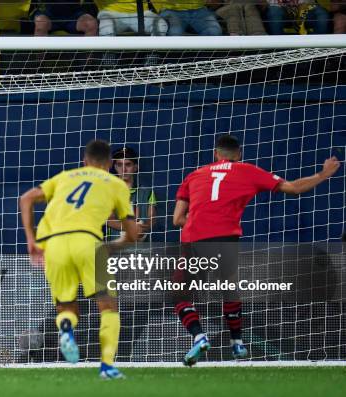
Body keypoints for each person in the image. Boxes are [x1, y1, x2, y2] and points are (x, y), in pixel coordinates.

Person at [172, 134, 340, 366]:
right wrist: (323, 174)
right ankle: (237, 343)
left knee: (181, 293)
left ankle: (199, 336)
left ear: (215, 154)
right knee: (229, 290)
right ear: (239, 155)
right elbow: (293, 188)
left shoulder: (194, 175)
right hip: (226, 238)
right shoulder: (248, 170)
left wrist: (200, 217)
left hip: (195, 238)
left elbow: (177, 218)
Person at [19, 139, 139, 379]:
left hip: (53, 244)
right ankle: (107, 366)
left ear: (84, 161)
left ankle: (65, 327)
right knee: (108, 306)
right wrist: (115, 244)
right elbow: (132, 233)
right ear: (108, 165)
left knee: (66, 305)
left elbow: (26, 198)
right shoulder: (117, 185)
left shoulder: (65, 176)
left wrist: (31, 240)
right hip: (89, 243)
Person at [107, 147, 157, 242]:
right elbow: (109, 220)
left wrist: (141, 227)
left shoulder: (147, 192)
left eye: (128, 164)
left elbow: (152, 219)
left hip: (142, 250)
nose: (124, 169)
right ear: (115, 167)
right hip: (115, 249)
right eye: (119, 164)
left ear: (135, 167)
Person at [95, 0, 168, 36]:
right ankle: (108, 59)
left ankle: (152, 57)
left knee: (161, 24)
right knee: (107, 27)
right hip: (111, 13)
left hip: (141, 13)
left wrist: (160, 9)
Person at [154, 0, 223, 36]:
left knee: (214, 31)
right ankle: (172, 61)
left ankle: (201, 60)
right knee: (175, 33)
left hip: (199, 9)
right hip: (171, 9)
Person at [30, 0, 98, 36]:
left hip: (74, 15)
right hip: (49, 14)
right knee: (41, 23)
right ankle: (39, 61)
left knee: (90, 23)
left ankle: (88, 61)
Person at [263, 0, 330, 35]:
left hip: (304, 11)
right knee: (274, 12)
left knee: (321, 13)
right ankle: (278, 49)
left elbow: (310, 3)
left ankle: (318, 48)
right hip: (279, 11)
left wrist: (303, 7)